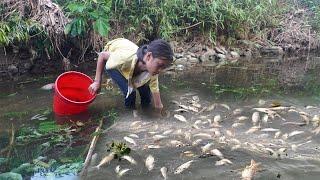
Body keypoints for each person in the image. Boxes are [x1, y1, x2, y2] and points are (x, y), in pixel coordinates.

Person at [88, 38, 174, 111]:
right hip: (114, 64)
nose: (160, 70)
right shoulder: (124, 58)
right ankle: (130, 115)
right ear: (148, 57)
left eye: (163, 67)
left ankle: (145, 112)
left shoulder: (153, 68)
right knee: (130, 93)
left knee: (146, 94)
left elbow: (155, 91)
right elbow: (102, 56)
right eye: (159, 65)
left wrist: (159, 112)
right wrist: (97, 82)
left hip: (130, 63)